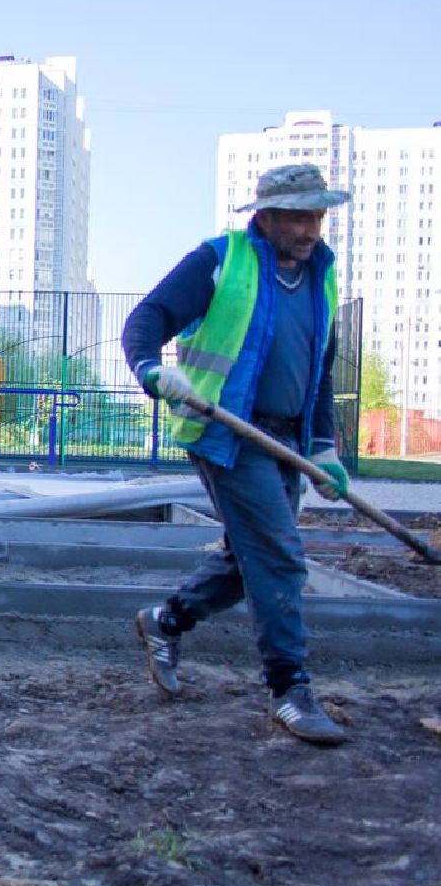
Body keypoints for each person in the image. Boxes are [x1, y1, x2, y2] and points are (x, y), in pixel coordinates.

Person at [122, 163, 352, 746]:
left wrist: (324, 448)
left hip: (287, 441)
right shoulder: (223, 259)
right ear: (265, 217)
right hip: (229, 434)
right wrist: (152, 370)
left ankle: (166, 621)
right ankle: (289, 689)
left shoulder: (322, 276)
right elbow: (148, 318)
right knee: (279, 556)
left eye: (316, 215)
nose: (309, 228)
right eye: (297, 217)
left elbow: (320, 373)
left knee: (248, 557)